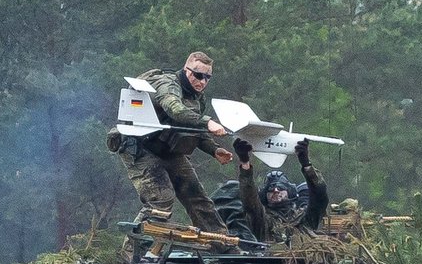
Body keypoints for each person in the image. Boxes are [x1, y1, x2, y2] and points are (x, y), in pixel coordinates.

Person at [107, 51, 234, 236]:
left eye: (208, 77)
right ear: (187, 70)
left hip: (169, 151)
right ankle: (133, 253)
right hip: (141, 148)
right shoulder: (168, 84)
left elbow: (192, 127)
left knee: (198, 198)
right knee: (160, 201)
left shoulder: (197, 96)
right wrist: (208, 122)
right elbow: (175, 109)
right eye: (199, 76)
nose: (203, 82)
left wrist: (214, 150)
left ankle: (223, 245)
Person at [219, 136, 329, 244]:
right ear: (264, 196)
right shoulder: (263, 221)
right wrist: (245, 164)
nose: (276, 191)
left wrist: (306, 164)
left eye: (280, 188)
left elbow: (319, 197)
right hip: (268, 260)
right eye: (270, 190)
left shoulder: (305, 219)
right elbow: (250, 201)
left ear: (290, 192)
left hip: (305, 260)